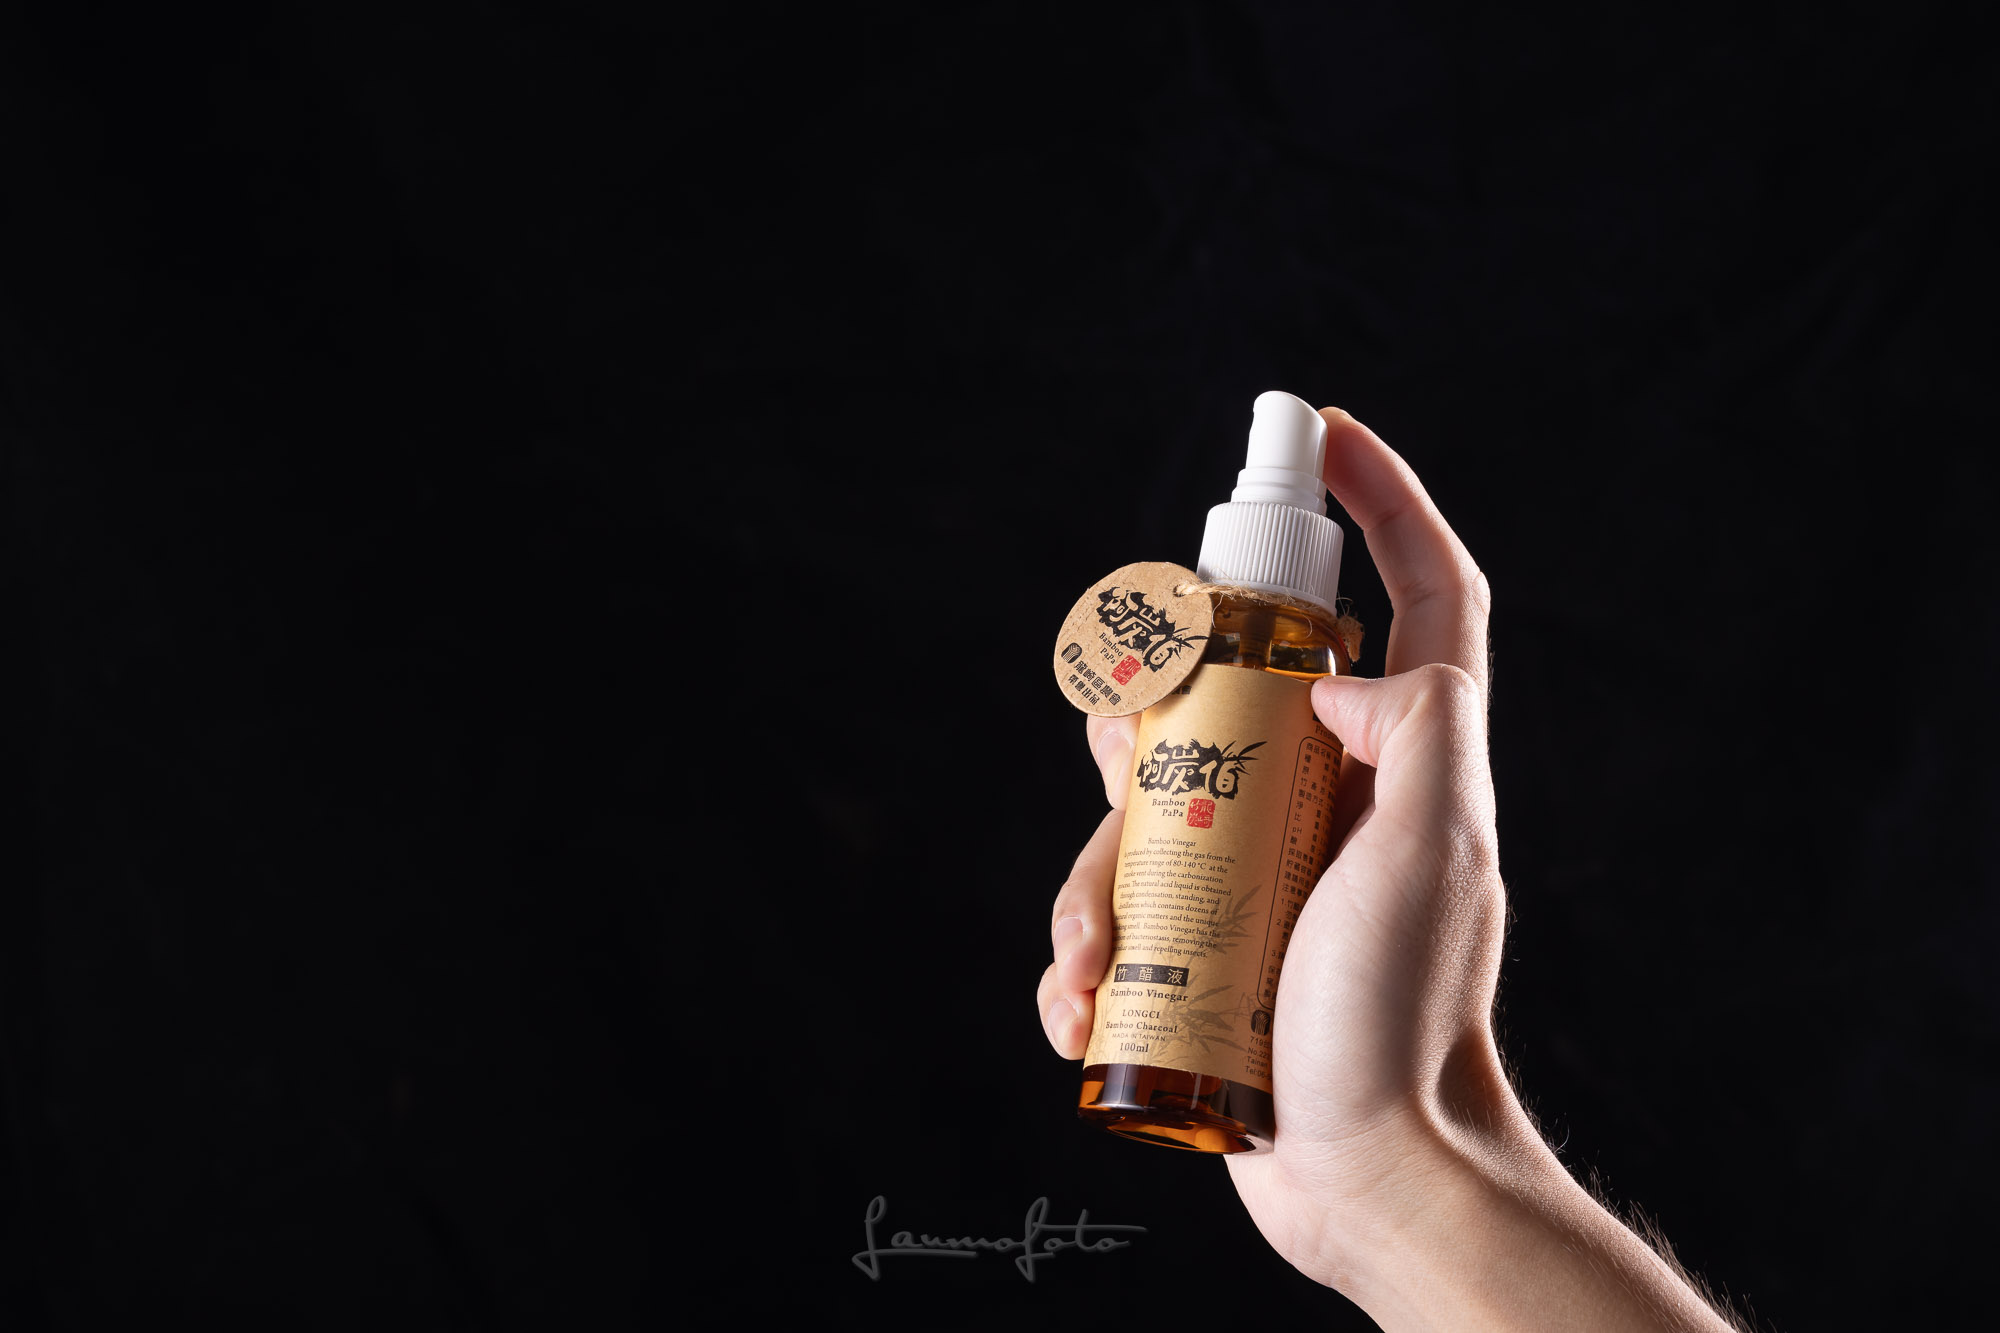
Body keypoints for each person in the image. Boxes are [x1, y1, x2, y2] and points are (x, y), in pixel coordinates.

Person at [1036, 407, 1745, 1332]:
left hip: (1261, 1088)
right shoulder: (1210, 644)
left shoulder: (1314, 660)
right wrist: (1379, 1172)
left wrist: (1385, 1155)